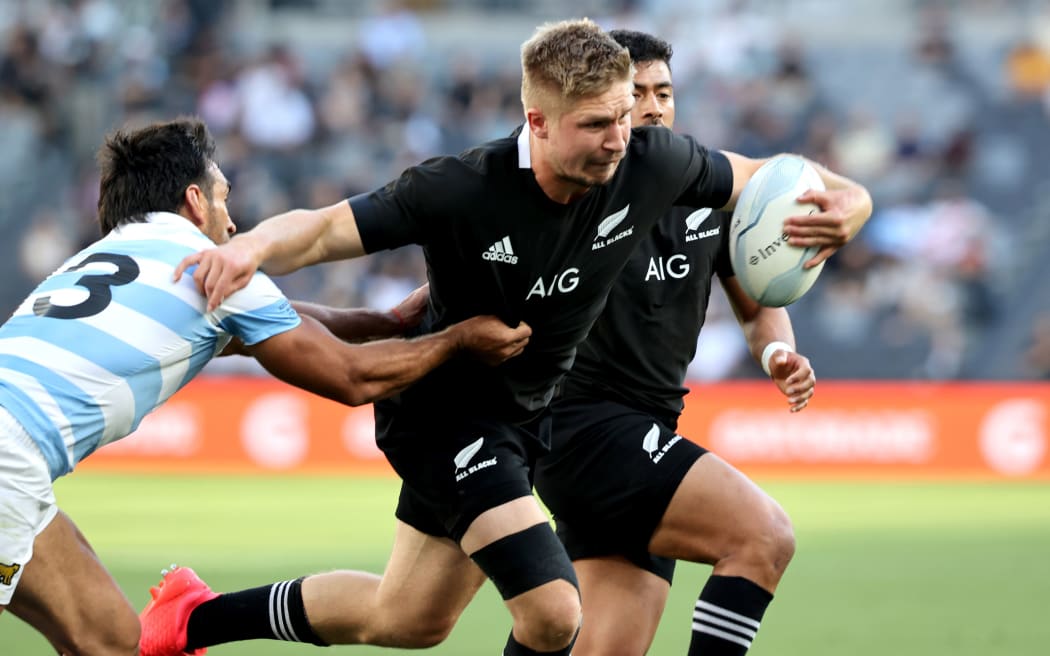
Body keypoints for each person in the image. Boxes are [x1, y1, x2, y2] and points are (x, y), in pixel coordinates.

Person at [139, 19, 871, 656]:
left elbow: (772, 177)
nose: (620, 139)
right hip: (443, 412)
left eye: (625, 116)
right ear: (538, 121)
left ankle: (192, 618)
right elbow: (328, 226)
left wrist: (852, 203)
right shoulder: (462, 188)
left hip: (529, 421)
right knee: (557, 611)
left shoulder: (653, 163)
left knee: (408, 617)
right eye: (596, 123)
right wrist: (250, 251)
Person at [0, 116, 532, 656]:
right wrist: (458, 340)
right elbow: (354, 377)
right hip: (8, 463)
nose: (233, 227)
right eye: (224, 199)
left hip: (14, 463)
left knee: (111, 638)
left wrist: (387, 320)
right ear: (194, 201)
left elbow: (278, 319)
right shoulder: (213, 266)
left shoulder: (103, 260)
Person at [531, 29, 867, 656]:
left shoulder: (706, 186)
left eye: (664, 92)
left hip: (643, 424)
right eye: (638, 95)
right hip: (584, 425)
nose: (655, 107)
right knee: (763, 537)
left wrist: (776, 354)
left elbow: (756, 297)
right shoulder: (582, 185)